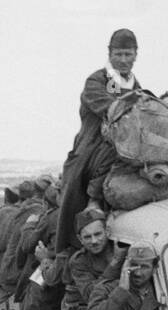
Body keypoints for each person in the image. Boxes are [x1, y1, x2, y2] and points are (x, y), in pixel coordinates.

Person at [55, 29, 144, 254]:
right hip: (91, 148)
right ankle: (68, 251)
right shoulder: (98, 80)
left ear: (136, 54)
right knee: (75, 197)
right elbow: (111, 106)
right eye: (119, 54)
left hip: (125, 147)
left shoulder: (136, 84)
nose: (124, 60)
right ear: (109, 53)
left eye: (128, 54)